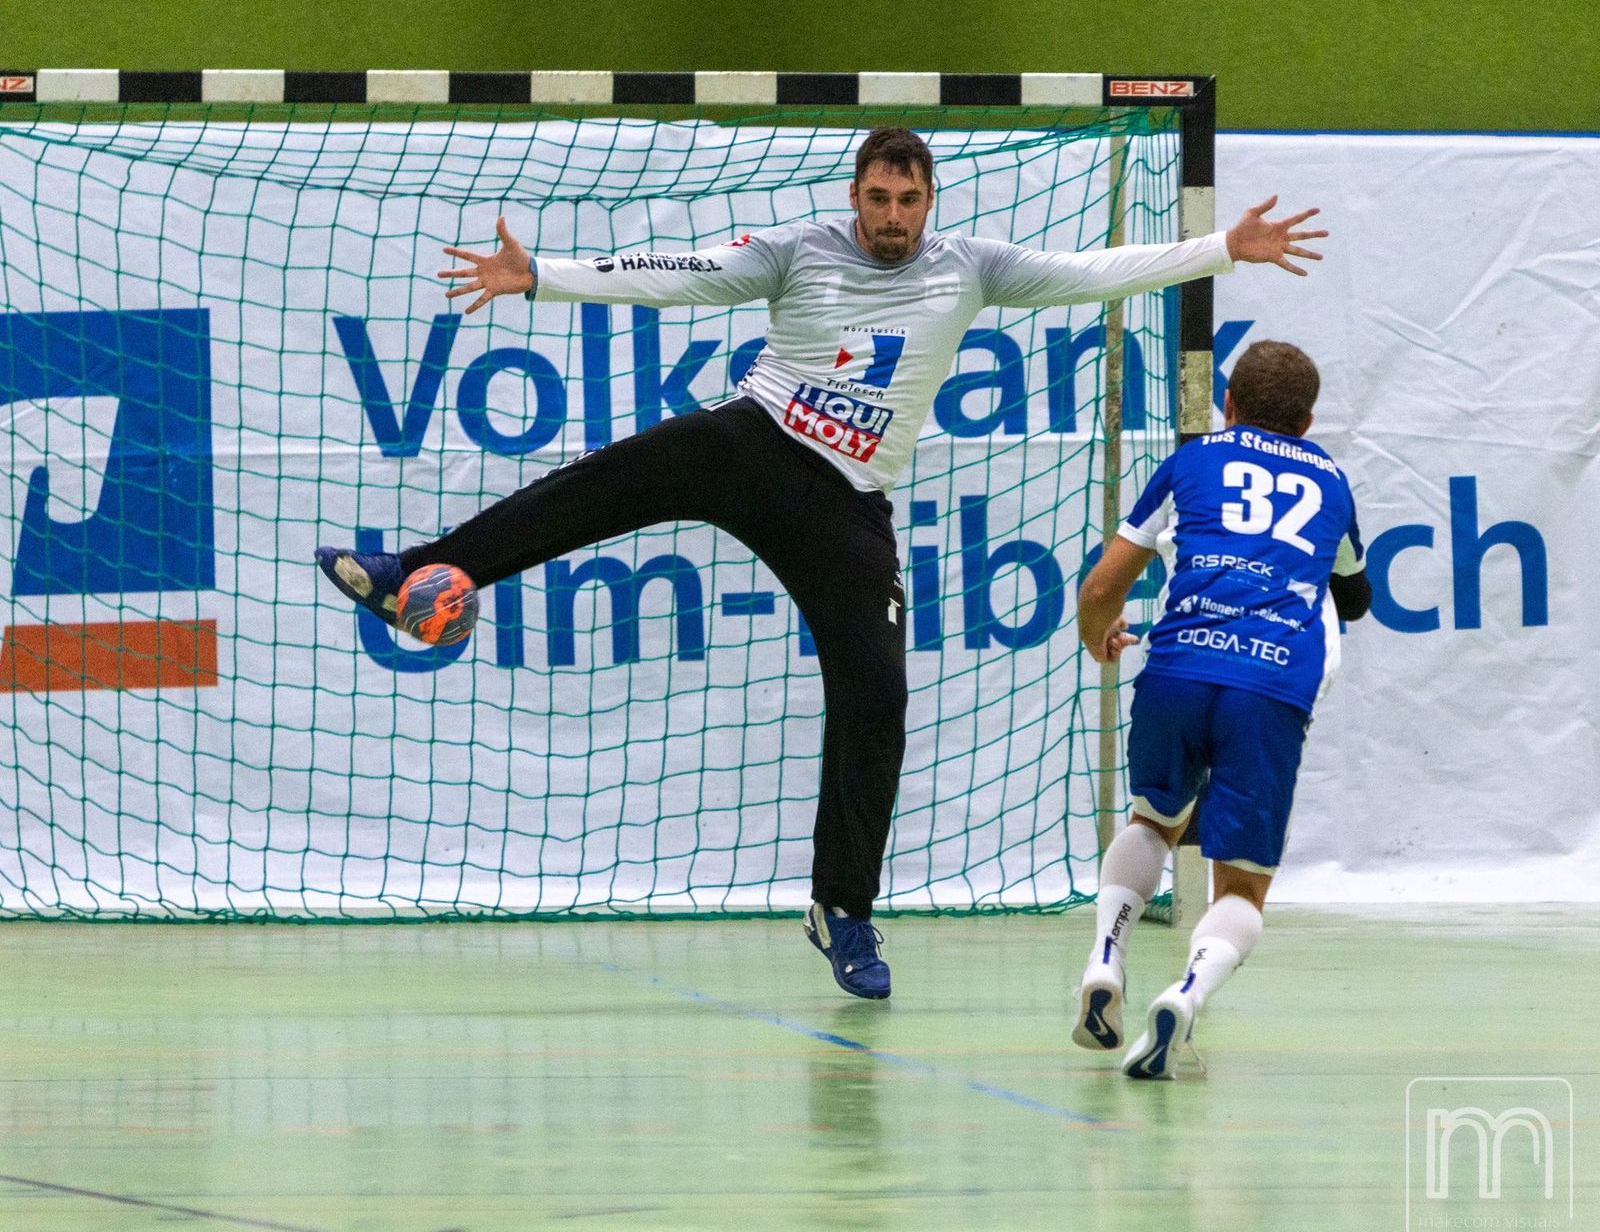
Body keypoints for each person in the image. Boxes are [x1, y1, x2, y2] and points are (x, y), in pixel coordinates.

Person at [316, 127, 1326, 1000]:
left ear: (930, 202)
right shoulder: (801, 250)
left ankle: (842, 910)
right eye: (879, 198)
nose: (893, 215)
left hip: (848, 504)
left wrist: (1217, 249)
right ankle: (414, 573)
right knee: (602, 482)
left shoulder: (967, 265)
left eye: (910, 200)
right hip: (755, 440)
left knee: (877, 698)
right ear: (856, 197)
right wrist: (543, 276)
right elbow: (677, 274)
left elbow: (1090, 270)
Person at [1072, 339, 1370, 1077]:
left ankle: (1104, 962)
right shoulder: (1330, 481)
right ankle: (1186, 996)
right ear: (1305, 422)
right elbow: (1356, 598)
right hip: (1269, 688)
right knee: (1241, 884)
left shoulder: (1190, 461)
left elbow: (1101, 589)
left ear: (1228, 403)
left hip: (1177, 669)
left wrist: (1096, 638)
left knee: (1153, 817)